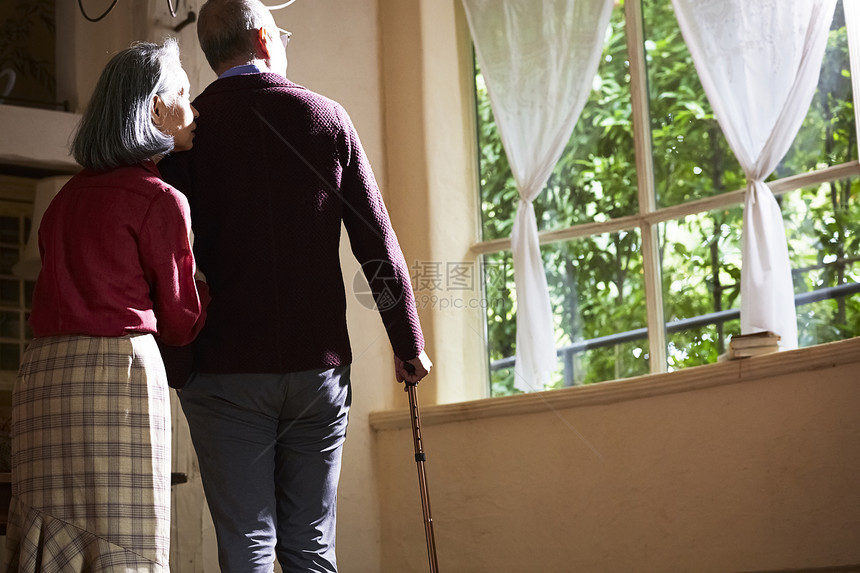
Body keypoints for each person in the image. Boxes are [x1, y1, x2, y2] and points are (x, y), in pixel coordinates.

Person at [156, 0, 432, 570]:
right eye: (279, 32)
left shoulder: (185, 139)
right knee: (310, 545)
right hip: (317, 368)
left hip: (223, 369)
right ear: (262, 38)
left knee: (247, 544)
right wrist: (407, 345)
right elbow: (376, 245)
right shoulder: (327, 118)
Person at [3, 39, 208, 572]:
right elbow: (182, 323)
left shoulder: (62, 200)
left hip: (43, 378)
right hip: (117, 373)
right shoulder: (161, 200)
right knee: (123, 540)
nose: (196, 108)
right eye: (184, 93)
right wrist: (206, 287)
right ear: (157, 108)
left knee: (47, 535)